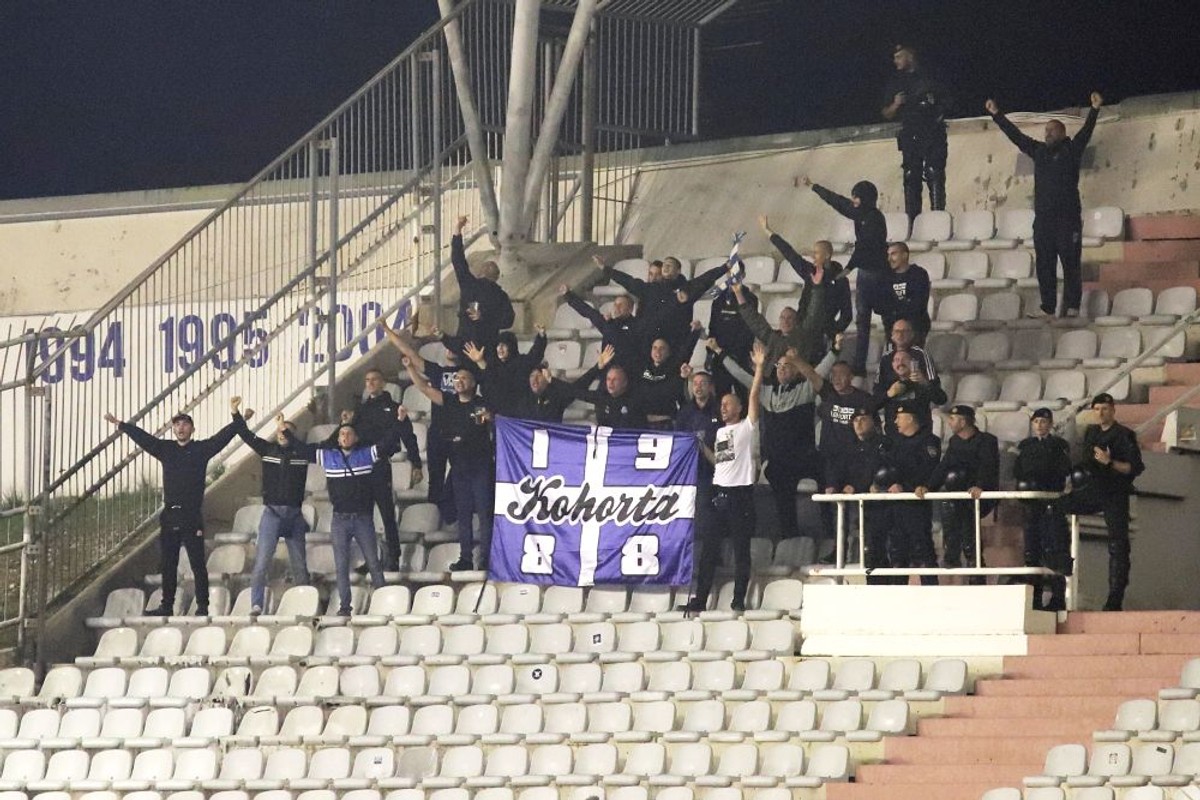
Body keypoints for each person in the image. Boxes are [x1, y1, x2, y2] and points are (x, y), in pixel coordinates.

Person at [104, 398, 244, 616]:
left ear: (192, 428)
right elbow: (144, 439)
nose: (181, 427)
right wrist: (122, 425)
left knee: (197, 563)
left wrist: (236, 415)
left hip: (191, 516)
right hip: (170, 515)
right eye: (177, 424)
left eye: (185, 424)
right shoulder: (165, 449)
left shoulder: (200, 449)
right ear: (172, 428)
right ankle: (166, 606)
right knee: (168, 564)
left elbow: (222, 438)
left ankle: (203, 606)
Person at [284, 409, 412, 616]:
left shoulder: (365, 455)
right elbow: (303, 450)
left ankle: (384, 603)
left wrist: (399, 421)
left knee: (373, 563)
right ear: (338, 438)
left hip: (362, 519)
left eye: (349, 434)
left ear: (356, 437)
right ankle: (345, 607)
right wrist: (286, 432)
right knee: (341, 566)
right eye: (342, 434)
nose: (345, 437)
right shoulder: (329, 457)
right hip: (340, 520)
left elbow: (388, 442)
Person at [987, 92, 1102, 318]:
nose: (1047, 133)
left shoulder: (1071, 150)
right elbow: (1017, 137)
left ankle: (1072, 306)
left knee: (1070, 264)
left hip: (1067, 220)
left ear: (1062, 132)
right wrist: (996, 115)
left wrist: (1095, 109)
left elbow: (1086, 132)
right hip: (1043, 221)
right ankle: (1048, 306)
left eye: (1051, 130)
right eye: (1046, 131)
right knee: (1044, 266)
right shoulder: (1039, 151)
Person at [711, 338, 834, 542]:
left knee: (827, 473)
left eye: (788, 366)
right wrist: (718, 350)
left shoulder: (805, 389)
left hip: (805, 456)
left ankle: (830, 534)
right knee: (777, 477)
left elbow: (819, 372)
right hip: (780, 460)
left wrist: (835, 351)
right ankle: (789, 537)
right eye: (779, 366)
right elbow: (741, 375)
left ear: (796, 370)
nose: (782, 369)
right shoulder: (766, 392)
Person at [680, 341, 765, 613]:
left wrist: (760, 369)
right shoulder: (720, 433)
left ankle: (738, 599)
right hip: (719, 492)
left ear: (739, 408)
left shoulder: (746, 428)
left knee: (741, 551)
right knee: (708, 551)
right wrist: (700, 447)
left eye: (729, 404)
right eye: (723, 405)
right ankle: (700, 599)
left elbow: (754, 399)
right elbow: (719, 462)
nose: (724, 408)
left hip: (741, 495)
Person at [406, 358, 495, 571]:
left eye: (464, 378)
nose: (459, 381)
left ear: (473, 384)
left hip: (481, 467)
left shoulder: (482, 404)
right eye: (457, 378)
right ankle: (465, 558)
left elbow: (494, 419)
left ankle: (486, 558)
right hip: (459, 469)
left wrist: (489, 418)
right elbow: (424, 388)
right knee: (463, 514)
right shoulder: (449, 401)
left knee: (484, 514)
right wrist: (410, 367)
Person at [330, 368, 423, 571]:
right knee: (364, 515)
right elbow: (346, 436)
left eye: (374, 380)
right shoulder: (360, 410)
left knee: (387, 513)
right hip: (361, 467)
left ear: (382, 383)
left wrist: (416, 463)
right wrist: (345, 421)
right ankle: (371, 558)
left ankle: (393, 557)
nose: (370, 383)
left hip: (380, 465)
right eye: (367, 380)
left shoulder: (394, 407)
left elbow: (409, 437)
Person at [1062, 393, 1144, 610]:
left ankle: (1115, 598)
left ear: (1113, 410)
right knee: (1055, 507)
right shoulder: (1091, 432)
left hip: (1115, 491)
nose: (1101, 413)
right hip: (1092, 488)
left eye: (1105, 409)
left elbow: (1134, 468)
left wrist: (1110, 463)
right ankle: (1059, 570)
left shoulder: (1124, 434)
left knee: (1118, 543)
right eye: (1097, 409)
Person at [804, 177, 887, 376]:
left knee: (886, 319)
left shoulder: (874, 219)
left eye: (857, 199)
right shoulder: (861, 214)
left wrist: (848, 269)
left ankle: (886, 360)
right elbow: (839, 203)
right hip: (866, 273)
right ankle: (859, 365)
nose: (853, 203)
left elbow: (864, 247)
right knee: (862, 320)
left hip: (879, 274)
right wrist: (815, 186)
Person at [233, 409, 312, 615]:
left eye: (286, 432)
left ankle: (305, 603)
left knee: (300, 565)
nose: (282, 435)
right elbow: (245, 434)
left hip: (295, 516)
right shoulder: (268, 450)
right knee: (262, 561)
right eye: (279, 432)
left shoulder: (302, 454)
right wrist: (235, 413)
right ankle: (256, 604)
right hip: (272, 514)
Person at [380, 321, 457, 525]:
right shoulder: (438, 371)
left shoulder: (470, 371)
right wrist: (388, 331)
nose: (449, 350)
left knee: (458, 474)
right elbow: (411, 354)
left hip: (460, 433)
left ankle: (450, 516)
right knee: (435, 477)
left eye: (453, 346)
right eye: (447, 347)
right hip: (439, 431)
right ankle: (433, 517)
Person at [917, 405, 999, 579]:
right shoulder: (955, 442)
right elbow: (944, 466)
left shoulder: (987, 441)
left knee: (970, 534)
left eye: (953, 419)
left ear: (963, 421)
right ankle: (953, 557)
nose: (950, 422)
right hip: (958, 496)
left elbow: (988, 467)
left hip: (976, 497)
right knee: (953, 522)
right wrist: (928, 486)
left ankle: (975, 574)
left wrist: (980, 486)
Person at [596, 254, 727, 357]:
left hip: (675, 345)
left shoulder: (687, 289)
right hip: (648, 345)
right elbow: (629, 281)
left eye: (670, 265)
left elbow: (705, 278)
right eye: (664, 265)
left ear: (678, 270)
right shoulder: (650, 289)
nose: (665, 267)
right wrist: (606, 269)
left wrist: (725, 267)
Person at [759, 216, 852, 361]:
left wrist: (831, 331)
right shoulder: (810, 272)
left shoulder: (841, 281)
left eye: (816, 252)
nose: (812, 255)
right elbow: (790, 255)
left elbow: (847, 315)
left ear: (827, 255)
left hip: (822, 337)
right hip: (802, 331)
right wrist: (769, 232)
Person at [882, 43, 951, 221]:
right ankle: (912, 221)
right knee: (911, 175)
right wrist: (896, 103)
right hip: (910, 133)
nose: (895, 61)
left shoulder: (930, 77)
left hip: (932, 131)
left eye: (899, 57)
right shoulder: (896, 82)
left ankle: (938, 218)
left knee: (934, 172)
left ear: (909, 56)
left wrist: (936, 108)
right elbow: (886, 113)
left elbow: (948, 101)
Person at [1013, 407, 1073, 610]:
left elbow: (1063, 470)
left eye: (1044, 421)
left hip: (1051, 503)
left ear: (1050, 424)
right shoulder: (1025, 445)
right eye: (1036, 421)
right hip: (1031, 505)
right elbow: (1018, 471)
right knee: (1032, 552)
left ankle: (1058, 598)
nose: (1040, 425)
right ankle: (1034, 599)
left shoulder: (1058, 445)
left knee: (1054, 550)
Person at [824, 407, 890, 583]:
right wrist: (833, 486)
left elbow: (877, 470)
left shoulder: (884, 445)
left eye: (863, 419)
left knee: (879, 551)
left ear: (874, 422)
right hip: (856, 507)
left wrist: (857, 486)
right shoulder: (848, 447)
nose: (858, 423)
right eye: (855, 420)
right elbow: (837, 469)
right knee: (868, 554)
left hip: (879, 507)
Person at [880, 402, 941, 585]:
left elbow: (928, 470)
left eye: (900, 417)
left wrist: (906, 487)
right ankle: (898, 596)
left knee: (922, 549)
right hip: (897, 505)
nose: (896, 421)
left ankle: (931, 592)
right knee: (897, 553)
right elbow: (889, 468)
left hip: (916, 504)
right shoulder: (895, 443)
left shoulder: (929, 441)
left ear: (911, 418)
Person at [448, 215, 515, 356]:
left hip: (465, 344)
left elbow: (457, 259)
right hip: (488, 346)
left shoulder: (469, 284)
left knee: (461, 376)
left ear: (480, 272)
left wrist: (458, 229)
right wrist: (485, 317)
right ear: (497, 277)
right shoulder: (501, 296)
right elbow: (508, 320)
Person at [462, 329, 547, 417]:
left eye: (504, 345)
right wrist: (479, 361)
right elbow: (489, 387)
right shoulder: (494, 366)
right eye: (498, 345)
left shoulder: (521, 362)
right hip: (498, 418)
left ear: (511, 346)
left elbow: (535, 355)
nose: (500, 348)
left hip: (520, 417)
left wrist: (541, 336)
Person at [706, 261, 759, 400]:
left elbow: (750, 329)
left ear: (743, 275)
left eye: (737, 273)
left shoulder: (751, 299)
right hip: (720, 357)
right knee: (721, 398)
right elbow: (713, 327)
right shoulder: (719, 300)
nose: (733, 276)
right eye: (730, 273)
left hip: (740, 357)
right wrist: (710, 353)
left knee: (742, 397)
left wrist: (742, 353)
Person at [560, 284, 645, 369]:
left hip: (628, 372)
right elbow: (589, 312)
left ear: (630, 309)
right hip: (608, 371)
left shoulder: (637, 326)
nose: (616, 307)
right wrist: (568, 296)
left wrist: (610, 324)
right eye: (615, 304)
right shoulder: (609, 323)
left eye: (621, 305)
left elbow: (623, 342)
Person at [573, 345, 652, 430]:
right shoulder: (601, 397)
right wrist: (597, 368)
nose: (610, 383)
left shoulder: (635, 402)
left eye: (615, 380)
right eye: (608, 379)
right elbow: (574, 391)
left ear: (624, 383)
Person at [875, 349, 947, 434]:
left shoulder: (923, 382)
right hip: (893, 438)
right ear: (893, 365)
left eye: (904, 359)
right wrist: (888, 394)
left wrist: (925, 383)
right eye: (897, 360)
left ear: (912, 363)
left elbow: (941, 399)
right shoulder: (888, 385)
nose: (900, 363)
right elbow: (873, 405)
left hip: (920, 437)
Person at [876, 242, 932, 343]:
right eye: (888, 255)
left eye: (893, 254)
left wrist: (896, 310)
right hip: (892, 328)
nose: (889, 259)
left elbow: (918, 303)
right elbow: (881, 305)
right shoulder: (885, 276)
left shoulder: (918, 274)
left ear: (905, 255)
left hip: (915, 327)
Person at [513, 364, 581, 424]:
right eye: (532, 375)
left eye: (539, 375)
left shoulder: (556, 397)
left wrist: (592, 372)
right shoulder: (524, 400)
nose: (534, 379)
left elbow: (577, 388)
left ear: (547, 379)